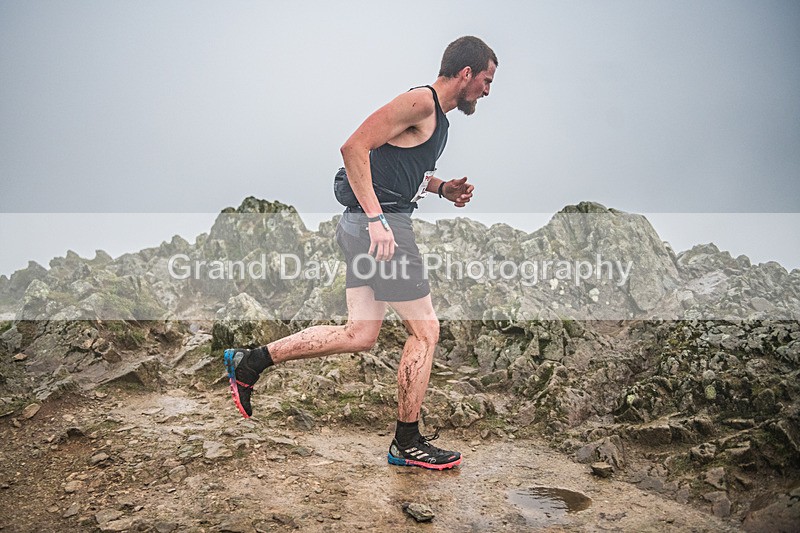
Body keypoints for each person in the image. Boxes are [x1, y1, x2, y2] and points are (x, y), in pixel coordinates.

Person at [224, 36, 497, 470]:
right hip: (380, 226)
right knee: (425, 331)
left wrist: (441, 188)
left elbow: (397, 166)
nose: (486, 90)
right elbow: (354, 147)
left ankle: (251, 361)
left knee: (360, 334)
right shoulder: (421, 102)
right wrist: (377, 219)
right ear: (466, 74)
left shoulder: (436, 119)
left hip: (365, 225)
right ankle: (406, 442)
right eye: (485, 80)